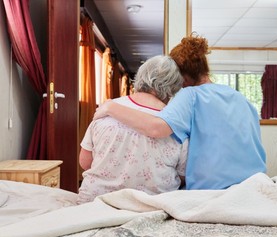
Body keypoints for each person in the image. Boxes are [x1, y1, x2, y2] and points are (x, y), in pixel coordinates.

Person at [94, 34, 266, 190]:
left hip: (213, 190)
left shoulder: (190, 95)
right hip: (254, 184)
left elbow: (156, 128)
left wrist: (111, 106)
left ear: (182, 77)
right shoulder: (239, 97)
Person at [78, 55, 188, 204]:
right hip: (152, 206)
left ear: (140, 77)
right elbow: (182, 175)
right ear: (174, 88)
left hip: (96, 202)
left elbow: (85, 162)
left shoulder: (105, 111)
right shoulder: (176, 125)